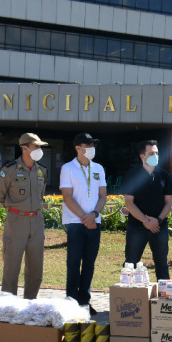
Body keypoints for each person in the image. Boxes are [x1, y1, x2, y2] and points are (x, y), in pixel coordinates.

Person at [0, 132, 48, 299]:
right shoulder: (9, 170)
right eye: (36, 146)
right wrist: (16, 209)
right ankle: (10, 306)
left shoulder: (42, 171)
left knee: (36, 267)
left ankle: (30, 304)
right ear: (24, 148)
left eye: (40, 146)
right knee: (12, 266)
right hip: (17, 220)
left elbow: (41, 195)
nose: (39, 149)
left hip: (37, 221)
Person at [60, 133, 107, 314]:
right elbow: (67, 197)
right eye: (87, 145)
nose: (91, 148)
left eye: (93, 145)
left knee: (89, 263)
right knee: (73, 262)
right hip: (75, 222)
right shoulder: (68, 168)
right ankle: (71, 301)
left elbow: (103, 195)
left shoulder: (98, 168)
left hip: (94, 221)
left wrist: (94, 215)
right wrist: (84, 217)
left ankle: (85, 300)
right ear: (77, 148)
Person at [123, 140, 172, 281]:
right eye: (151, 153)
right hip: (137, 227)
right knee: (130, 263)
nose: (155, 156)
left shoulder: (164, 176)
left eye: (157, 153)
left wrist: (157, 221)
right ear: (142, 156)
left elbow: (168, 202)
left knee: (162, 264)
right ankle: (128, 296)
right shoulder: (132, 175)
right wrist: (146, 221)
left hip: (159, 227)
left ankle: (164, 298)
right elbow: (129, 203)